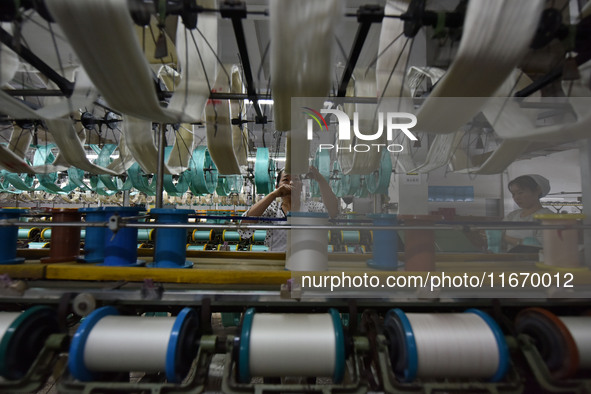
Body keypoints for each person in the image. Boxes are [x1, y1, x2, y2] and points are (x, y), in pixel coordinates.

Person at [239, 166, 339, 251]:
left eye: (296, 179)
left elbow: (333, 211)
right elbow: (244, 230)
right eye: (286, 180)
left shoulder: (312, 208)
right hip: (276, 263)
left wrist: (320, 180)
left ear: (301, 186)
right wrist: (273, 195)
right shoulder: (272, 210)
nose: (291, 183)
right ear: (277, 186)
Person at [502, 174, 553, 252]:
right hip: (511, 261)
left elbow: (544, 247)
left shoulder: (547, 217)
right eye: (513, 194)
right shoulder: (512, 216)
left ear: (537, 190)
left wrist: (505, 238)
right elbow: (497, 238)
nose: (516, 197)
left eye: (520, 193)